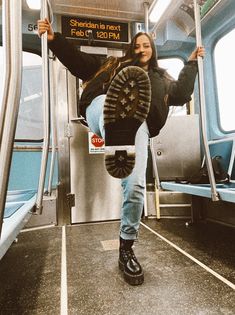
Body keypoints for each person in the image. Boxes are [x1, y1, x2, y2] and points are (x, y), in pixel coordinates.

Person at [37, 19, 205, 286]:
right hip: (101, 109)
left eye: (146, 44)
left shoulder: (163, 79)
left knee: (136, 186)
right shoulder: (111, 65)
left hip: (140, 125)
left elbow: (183, 93)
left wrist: (192, 63)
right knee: (107, 104)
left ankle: (126, 248)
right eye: (136, 45)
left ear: (152, 50)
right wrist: (54, 39)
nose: (141, 48)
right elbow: (78, 60)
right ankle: (117, 126)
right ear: (131, 49)